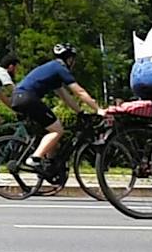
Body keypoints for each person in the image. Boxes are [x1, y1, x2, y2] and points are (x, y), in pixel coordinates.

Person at [9, 43, 102, 183]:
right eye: (73, 59)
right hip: (28, 98)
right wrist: (98, 109)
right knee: (57, 131)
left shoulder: (52, 69)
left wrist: (80, 112)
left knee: (52, 135)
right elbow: (79, 91)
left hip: (18, 97)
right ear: (69, 59)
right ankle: (34, 159)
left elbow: (66, 97)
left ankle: (49, 167)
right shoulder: (60, 68)